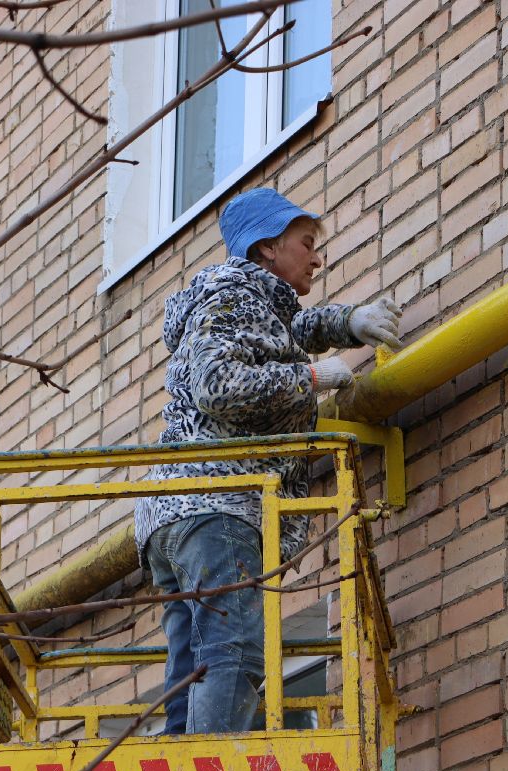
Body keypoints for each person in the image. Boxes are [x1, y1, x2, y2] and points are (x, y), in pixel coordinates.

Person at [133, 188, 402, 735]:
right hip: (216, 506)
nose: (318, 257)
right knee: (232, 650)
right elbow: (216, 384)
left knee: (193, 658)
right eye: (307, 243)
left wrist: (348, 323)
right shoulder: (232, 298)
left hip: (177, 514)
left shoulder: (240, 301)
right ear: (267, 248)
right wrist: (310, 379)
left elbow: (286, 332)